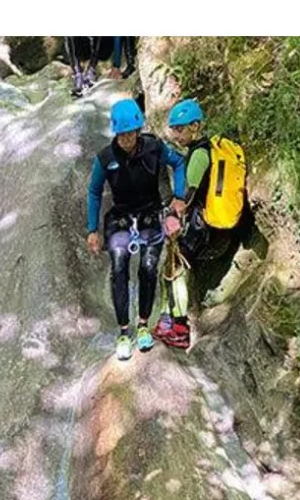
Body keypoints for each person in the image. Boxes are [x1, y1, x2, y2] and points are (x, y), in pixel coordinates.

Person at [86, 99, 187, 360]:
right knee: (120, 267)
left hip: (150, 214)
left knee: (149, 267)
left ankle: (143, 325)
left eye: (132, 133)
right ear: (116, 133)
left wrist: (179, 196)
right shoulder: (106, 158)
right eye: (124, 134)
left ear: (138, 130)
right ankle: (123, 331)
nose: (129, 138)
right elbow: (94, 191)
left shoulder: (154, 148)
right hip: (120, 218)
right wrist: (92, 229)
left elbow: (178, 163)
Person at [157, 97, 250, 348]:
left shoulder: (198, 155)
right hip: (216, 226)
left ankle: (178, 326)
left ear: (195, 126)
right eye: (174, 129)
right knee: (177, 267)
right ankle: (175, 322)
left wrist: (172, 217)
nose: (176, 135)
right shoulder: (211, 148)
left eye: (180, 129)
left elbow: (187, 195)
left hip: (202, 226)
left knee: (175, 268)